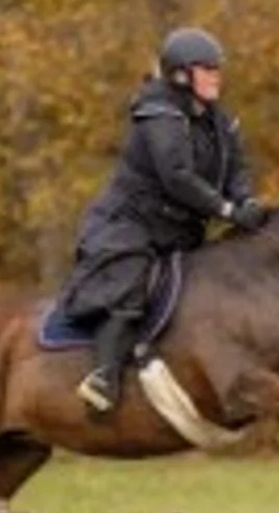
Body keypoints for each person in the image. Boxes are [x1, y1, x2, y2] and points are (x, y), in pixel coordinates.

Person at [58, 27, 268, 413]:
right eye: (208, 69)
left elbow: (237, 168)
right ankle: (103, 376)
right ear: (181, 75)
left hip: (178, 232)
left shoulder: (219, 121)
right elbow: (177, 177)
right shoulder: (160, 115)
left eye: (217, 69)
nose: (217, 76)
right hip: (129, 225)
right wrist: (226, 210)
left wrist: (247, 200)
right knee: (131, 285)